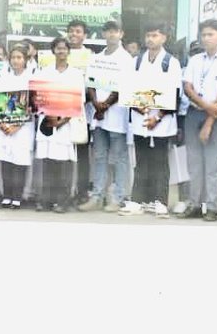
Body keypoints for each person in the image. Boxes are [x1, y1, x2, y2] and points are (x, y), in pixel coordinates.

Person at [119, 24, 181, 218]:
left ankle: (160, 201)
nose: (150, 39)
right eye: (148, 35)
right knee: (141, 160)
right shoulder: (136, 61)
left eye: (155, 35)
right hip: (140, 119)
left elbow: (175, 93)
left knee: (160, 162)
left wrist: (158, 116)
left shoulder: (170, 62)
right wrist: (138, 107)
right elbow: (128, 89)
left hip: (162, 121)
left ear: (163, 38)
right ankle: (138, 200)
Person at [179, 19, 217, 221]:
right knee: (194, 162)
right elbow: (187, 87)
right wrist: (205, 105)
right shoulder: (196, 60)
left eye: (210, 34)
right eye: (203, 34)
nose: (206, 38)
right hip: (195, 112)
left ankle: (212, 206)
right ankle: (195, 203)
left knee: (212, 162)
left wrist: (209, 121)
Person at [81, 21, 133, 211]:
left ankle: (117, 197)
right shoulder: (97, 58)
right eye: (108, 31)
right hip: (98, 115)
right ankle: (97, 195)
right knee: (100, 156)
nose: (111, 35)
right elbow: (91, 84)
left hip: (116, 114)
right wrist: (96, 104)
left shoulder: (126, 59)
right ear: (103, 34)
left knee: (119, 158)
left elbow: (124, 87)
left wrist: (105, 106)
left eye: (115, 31)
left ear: (121, 34)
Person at [35, 37, 79, 213]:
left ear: (68, 51)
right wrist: (51, 118)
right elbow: (39, 98)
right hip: (47, 122)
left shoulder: (75, 74)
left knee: (63, 165)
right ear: (53, 51)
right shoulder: (44, 73)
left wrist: (61, 121)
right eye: (58, 48)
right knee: (48, 164)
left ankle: (63, 202)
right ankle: (46, 200)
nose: (61, 51)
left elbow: (77, 101)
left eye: (64, 48)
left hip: (66, 124)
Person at [0, 44, 34, 209]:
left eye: (19, 57)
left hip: (23, 128)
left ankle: (17, 196)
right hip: (4, 127)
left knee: (19, 162)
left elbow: (32, 107)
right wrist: (2, 124)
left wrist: (16, 126)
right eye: (13, 58)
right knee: (6, 161)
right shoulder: (3, 78)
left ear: (25, 60)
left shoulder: (31, 80)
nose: (16, 61)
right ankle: (7, 195)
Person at [63, 20, 92, 206]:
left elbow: (92, 85)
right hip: (60, 111)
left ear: (85, 35)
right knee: (64, 154)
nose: (74, 34)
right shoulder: (59, 52)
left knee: (81, 154)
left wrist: (78, 101)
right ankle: (64, 192)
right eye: (71, 31)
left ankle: (82, 192)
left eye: (78, 31)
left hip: (82, 111)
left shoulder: (91, 56)